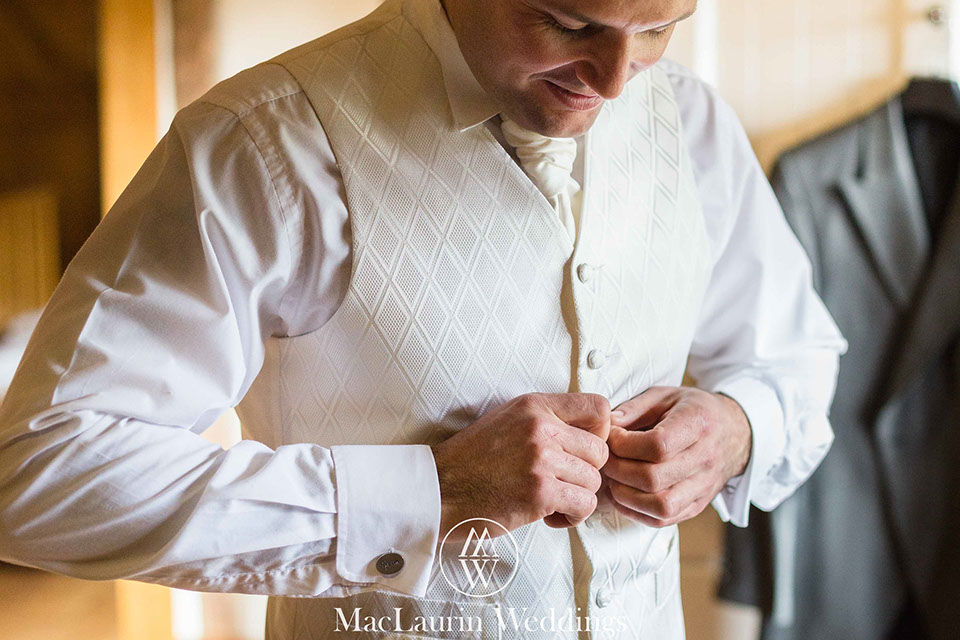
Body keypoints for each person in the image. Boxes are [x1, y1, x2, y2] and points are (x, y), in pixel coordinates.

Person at [0, 0, 848, 637]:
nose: (618, 79)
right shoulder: (264, 144)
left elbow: (798, 356)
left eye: (661, 27)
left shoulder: (693, 123)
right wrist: (428, 496)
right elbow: (42, 475)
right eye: (567, 22)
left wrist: (737, 428)